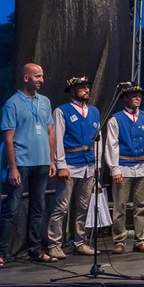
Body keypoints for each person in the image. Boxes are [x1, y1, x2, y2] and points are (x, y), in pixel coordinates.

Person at [0, 62, 57, 266]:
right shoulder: (12, 104)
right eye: (38, 76)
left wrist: (52, 160)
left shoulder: (45, 101)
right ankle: (1, 252)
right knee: (11, 209)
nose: (42, 80)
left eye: (42, 76)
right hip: (21, 163)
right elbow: (8, 138)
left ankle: (35, 250)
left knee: (38, 208)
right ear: (26, 78)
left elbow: (50, 132)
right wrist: (12, 168)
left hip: (42, 162)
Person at [47, 76, 101, 259]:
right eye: (82, 87)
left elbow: (98, 139)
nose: (86, 90)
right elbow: (57, 140)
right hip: (70, 164)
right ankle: (54, 244)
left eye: (87, 87)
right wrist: (61, 165)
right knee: (62, 206)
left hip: (88, 164)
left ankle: (80, 242)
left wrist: (97, 163)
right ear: (72, 90)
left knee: (83, 206)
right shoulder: (62, 111)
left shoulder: (94, 111)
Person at [105, 82, 144, 254]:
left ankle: (140, 240)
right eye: (134, 95)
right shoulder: (116, 119)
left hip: (142, 165)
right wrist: (115, 169)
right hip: (124, 166)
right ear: (125, 97)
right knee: (120, 206)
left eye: (139, 95)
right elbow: (112, 146)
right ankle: (119, 240)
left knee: (141, 206)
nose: (137, 98)